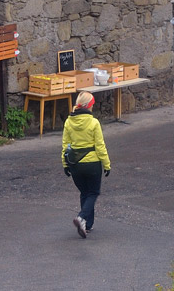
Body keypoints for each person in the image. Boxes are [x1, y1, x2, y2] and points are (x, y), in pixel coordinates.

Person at [61, 90, 111, 238]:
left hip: (75, 164)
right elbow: (100, 146)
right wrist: (107, 164)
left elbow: (66, 146)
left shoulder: (68, 122)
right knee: (93, 192)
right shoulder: (94, 122)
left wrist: (65, 164)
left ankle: (87, 225)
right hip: (92, 163)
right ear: (89, 105)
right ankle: (82, 217)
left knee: (85, 193)